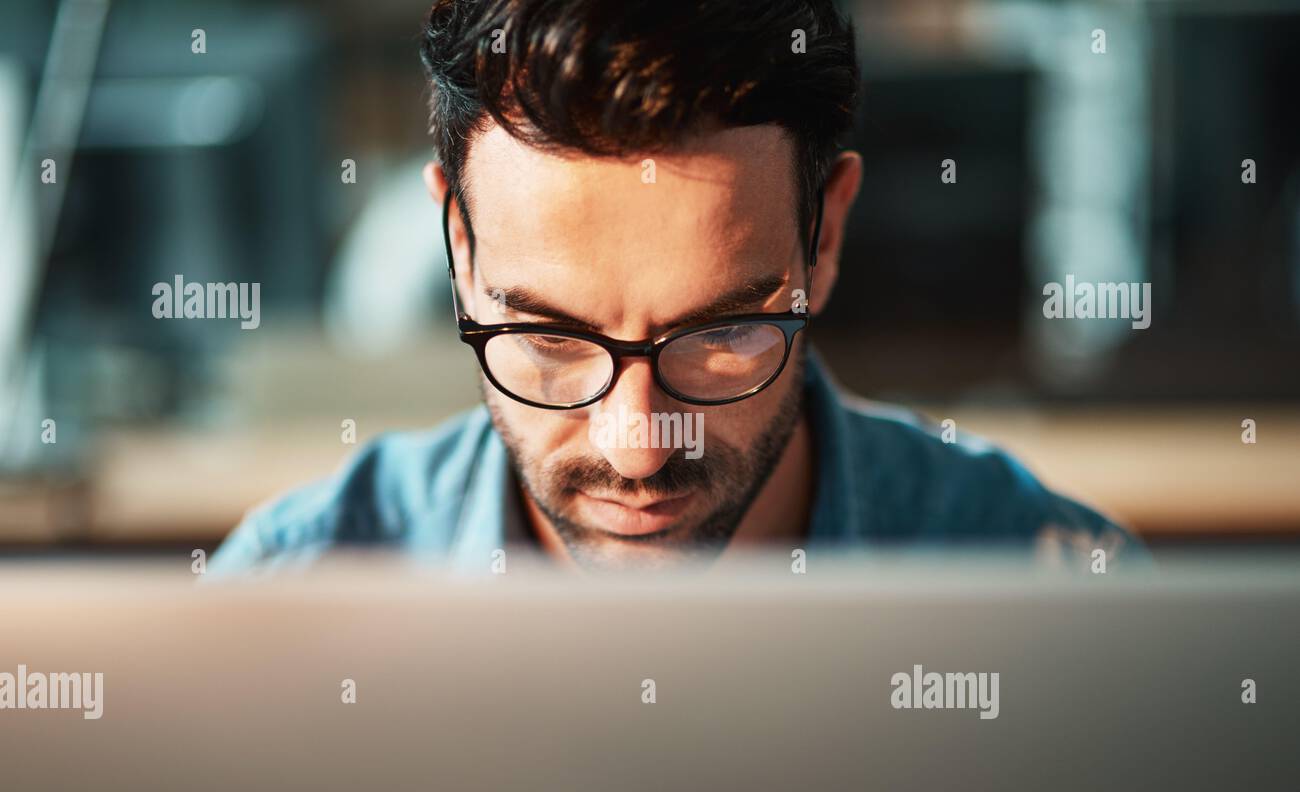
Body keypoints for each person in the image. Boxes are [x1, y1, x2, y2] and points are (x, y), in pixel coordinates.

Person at [211, 0, 1137, 576]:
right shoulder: (287, 594)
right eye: (551, 340)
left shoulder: (1051, 591)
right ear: (458, 243)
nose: (639, 449)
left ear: (826, 236)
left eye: (720, 332)